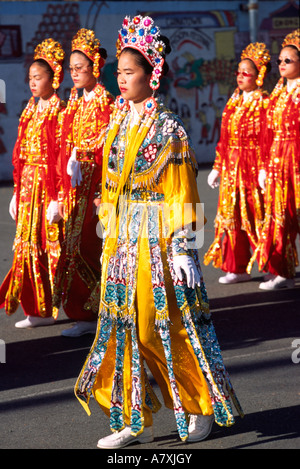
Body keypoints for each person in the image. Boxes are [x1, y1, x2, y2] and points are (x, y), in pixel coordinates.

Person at [75, 15, 243, 449]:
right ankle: (133, 417)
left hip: (158, 242)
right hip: (122, 242)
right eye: (120, 72)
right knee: (120, 330)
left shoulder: (170, 129)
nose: (121, 78)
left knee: (159, 328)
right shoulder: (117, 121)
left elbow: (181, 189)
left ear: (153, 77)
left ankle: (195, 405)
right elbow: (110, 176)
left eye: (130, 72)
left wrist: (186, 246)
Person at [0, 39, 65, 327]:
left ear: (53, 79)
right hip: (27, 187)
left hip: (47, 187)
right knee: (24, 245)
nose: (33, 83)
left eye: (38, 78)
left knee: (48, 245)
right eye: (30, 79)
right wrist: (16, 191)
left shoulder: (58, 109)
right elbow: (19, 152)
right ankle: (35, 307)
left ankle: (48, 307)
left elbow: (59, 156)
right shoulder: (31, 108)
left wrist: (57, 196)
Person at [53, 29, 114, 337]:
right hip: (75, 188)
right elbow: (64, 144)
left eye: (80, 68)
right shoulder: (74, 102)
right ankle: (84, 313)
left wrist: (83, 152)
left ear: (95, 68)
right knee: (73, 247)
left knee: (93, 247)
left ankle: (101, 311)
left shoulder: (107, 102)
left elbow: (110, 144)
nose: (74, 74)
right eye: (71, 69)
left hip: (97, 189)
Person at [204, 43, 271, 284]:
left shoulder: (264, 102)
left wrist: (264, 167)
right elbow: (225, 137)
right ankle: (237, 267)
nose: (240, 77)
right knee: (230, 216)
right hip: (232, 169)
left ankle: (272, 267)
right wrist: (217, 167)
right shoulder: (233, 100)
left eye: (246, 72)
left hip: (253, 167)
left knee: (257, 214)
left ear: (258, 76)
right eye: (239, 72)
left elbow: (267, 138)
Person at [253, 29, 300, 290]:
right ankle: (284, 271)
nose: (281, 64)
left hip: (297, 160)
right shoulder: (277, 94)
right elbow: (266, 133)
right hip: (277, 162)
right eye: (280, 60)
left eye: (288, 60)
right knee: (279, 215)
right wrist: (263, 167)